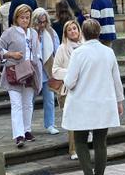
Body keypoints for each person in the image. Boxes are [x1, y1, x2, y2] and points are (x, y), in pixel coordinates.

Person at [62, 18, 124, 175]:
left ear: (83, 32)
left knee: (80, 141)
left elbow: (69, 82)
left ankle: (88, 173)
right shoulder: (108, 52)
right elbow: (117, 80)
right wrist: (119, 101)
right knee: (100, 142)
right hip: (103, 102)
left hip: (82, 103)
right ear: (99, 32)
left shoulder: (78, 53)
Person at [0, 4, 41, 148]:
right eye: (22, 17)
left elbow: (36, 52)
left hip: (29, 70)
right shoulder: (9, 33)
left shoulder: (33, 33)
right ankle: (19, 135)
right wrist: (11, 54)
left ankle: (27, 130)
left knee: (28, 103)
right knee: (16, 104)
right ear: (16, 18)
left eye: (27, 18)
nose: (25, 20)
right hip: (14, 71)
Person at [52, 19, 84, 160]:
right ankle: (73, 149)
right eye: (69, 29)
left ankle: (83, 146)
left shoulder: (85, 46)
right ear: (65, 33)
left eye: (74, 28)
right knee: (73, 120)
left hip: (84, 89)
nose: (73, 31)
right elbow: (55, 70)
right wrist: (71, 72)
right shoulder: (62, 48)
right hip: (68, 90)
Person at [32, 7, 60, 135]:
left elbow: (57, 50)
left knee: (49, 99)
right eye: (39, 22)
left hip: (48, 70)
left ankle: (50, 124)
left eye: (44, 22)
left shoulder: (51, 32)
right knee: (30, 100)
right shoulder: (30, 33)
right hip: (34, 70)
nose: (42, 24)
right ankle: (26, 127)